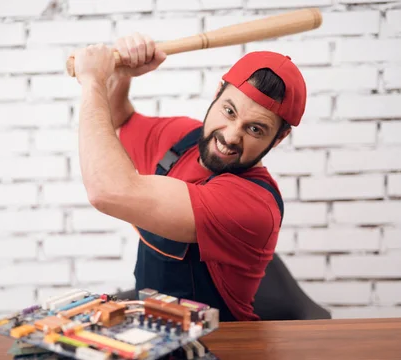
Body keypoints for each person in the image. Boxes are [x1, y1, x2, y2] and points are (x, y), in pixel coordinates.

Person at [72, 33, 307, 322]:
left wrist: (94, 81)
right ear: (217, 92)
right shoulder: (180, 139)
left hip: (221, 349)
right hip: (151, 330)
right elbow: (117, 121)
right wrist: (121, 76)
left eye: (255, 129)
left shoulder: (253, 204)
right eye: (229, 111)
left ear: (280, 137)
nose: (231, 136)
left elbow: (106, 190)